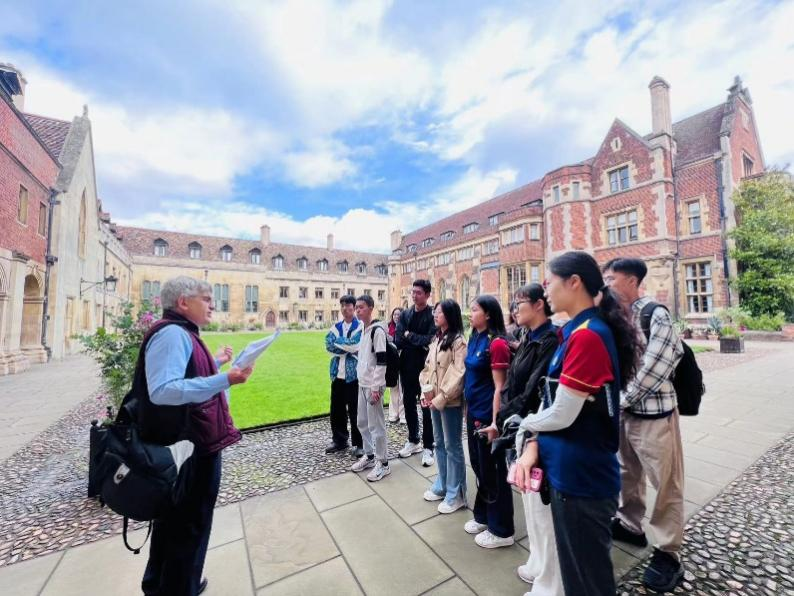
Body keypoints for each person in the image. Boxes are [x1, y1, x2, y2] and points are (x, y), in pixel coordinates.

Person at [513, 251, 641, 596]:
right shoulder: (576, 331)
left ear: (574, 282)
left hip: (581, 478)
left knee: (586, 582)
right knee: (576, 575)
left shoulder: (587, 335)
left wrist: (526, 425)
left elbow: (562, 413)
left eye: (550, 282)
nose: (546, 290)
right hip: (570, 471)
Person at [140, 277, 253, 596]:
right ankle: (179, 588)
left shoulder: (181, 332)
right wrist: (224, 380)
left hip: (189, 440)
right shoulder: (173, 333)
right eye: (206, 298)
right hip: (190, 444)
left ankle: (164, 584)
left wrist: (216, 363)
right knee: (191, 520)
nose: (212, 305)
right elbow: (163, 390)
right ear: (183, 302)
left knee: (175, 518)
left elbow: (184, 374)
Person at [603, 257, 685, 592]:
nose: (607, 284)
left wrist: (620, 400)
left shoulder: (655, 314)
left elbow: (657, 366)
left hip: (654, 416)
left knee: (666, 483)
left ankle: (668, 551)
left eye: (612, 278)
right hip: (625, 414)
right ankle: (630, 525)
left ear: (632, 280)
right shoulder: (617, 317)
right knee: (628, 473)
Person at [496, 284, 562, 594]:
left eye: (520, 302)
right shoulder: (527, 336)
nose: (514, 308)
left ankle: (549, 579)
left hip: (536, 430)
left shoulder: (550, 340)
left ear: (538, 305)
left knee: (541, 509)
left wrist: (506, 414)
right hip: (520, 428)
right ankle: (537, 561)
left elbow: (533, 390)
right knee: (529, 501)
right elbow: (512, 381)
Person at [463, 295, 514, 548]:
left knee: (492, 470)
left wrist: (495, 422)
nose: (470, 313)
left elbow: (499, 388)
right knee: (479, 466)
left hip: (487, 415)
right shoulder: (475, 337)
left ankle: (502, 529)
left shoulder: (497, 344)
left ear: (488, 314)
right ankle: (483, 515)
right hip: (473, 412)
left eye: (475, 310)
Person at [418, 299, 467, 513]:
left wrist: (441, 398)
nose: (435, 315)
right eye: (435, 311)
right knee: (438, 443)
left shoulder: (458, 342)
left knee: (452, 446)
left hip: (450, 402)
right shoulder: (437, 339)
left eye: (439, 312)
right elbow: (427, 369)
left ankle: (457, 494)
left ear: (450, 315)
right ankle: (444, 484)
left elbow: (458, 373)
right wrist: (425, 392)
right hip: (435, 400)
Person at [395, 279, 437, 466]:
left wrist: (409, 335)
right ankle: (413, 440)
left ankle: (429, 446)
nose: (414, 295)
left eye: (418, 292)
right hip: (407, 365)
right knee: (408, 403)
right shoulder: (405, 314)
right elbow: (398, 339)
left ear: (427, 295)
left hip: (425, 367)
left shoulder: (432, 316)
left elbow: (430, 340)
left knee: (426, 405)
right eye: (413, 292)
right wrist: (414, 340)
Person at [350, 295, 391, 482]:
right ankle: (370, 455)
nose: (358, 310)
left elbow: (382, 361)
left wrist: (376, 387)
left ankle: (383, 463)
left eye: (362, 307)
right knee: (362, 422)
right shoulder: (364, 330)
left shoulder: (377, 331)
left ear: (371, 308)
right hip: (362, 383)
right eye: (357, 307)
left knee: (376, 425)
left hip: (373, 385)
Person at [324, 295, 364, 456]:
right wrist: (347, 346)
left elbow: (355, 344)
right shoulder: (336, 327)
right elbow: (328, 344)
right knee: (336, 410)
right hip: (337, 374)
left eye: (348, 305)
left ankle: (359, 443)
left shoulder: (360, 326)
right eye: (342, 305)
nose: (345, 308)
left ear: (354, 307)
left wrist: (340, 343)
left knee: (356, 411)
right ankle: (339, 440)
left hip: (353, 375)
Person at [387, 307, 406, 424]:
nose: (396, 316)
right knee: (393, 387)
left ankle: (403, 415)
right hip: (391, 362)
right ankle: (394, 414)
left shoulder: (405, 328)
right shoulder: (388, 328)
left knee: (402, 389)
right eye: (394, 314)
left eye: (399, 314)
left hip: (403, 359)